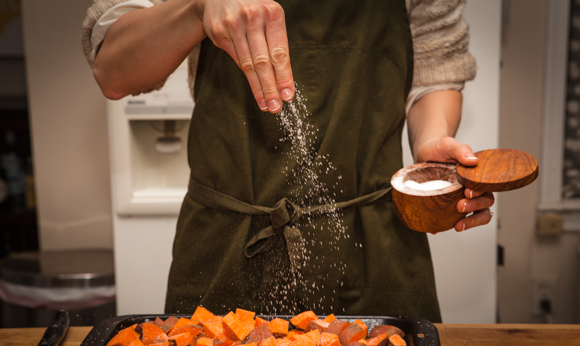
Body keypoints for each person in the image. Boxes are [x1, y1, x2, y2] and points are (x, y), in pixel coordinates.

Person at [82, 0, 494, 322]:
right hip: (227, 242)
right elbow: (113, 69)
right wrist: (198, 9)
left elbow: (436, 67)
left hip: (375, 242)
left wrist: (432, 139)